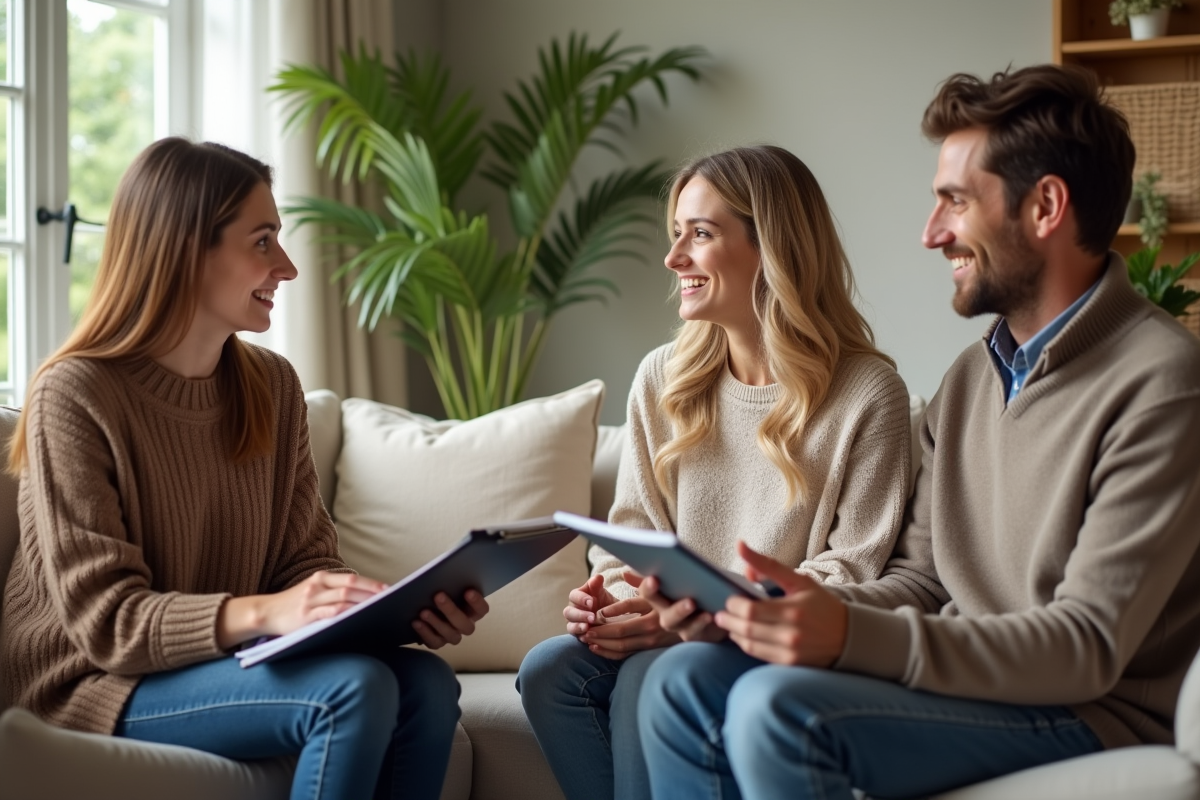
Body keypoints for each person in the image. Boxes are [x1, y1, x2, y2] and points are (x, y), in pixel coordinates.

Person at [637, 64, 1200, 800]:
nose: (931, 233)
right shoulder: (972, 379)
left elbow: (1086, 647)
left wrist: (851, 638)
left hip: (1084, 710)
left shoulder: (1163, 382)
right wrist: (786, 611)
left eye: (955, 203)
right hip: (967, 687)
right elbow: (923, 579)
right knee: (683, 678)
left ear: (1046, 207)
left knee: (779, 712)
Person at [0, 138, 491, 800]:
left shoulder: (270, 386)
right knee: (350, 691)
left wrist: (385, 613)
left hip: (212, 662)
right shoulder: (75, 392)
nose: (286, 267)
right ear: (182, 250)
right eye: (263, 242)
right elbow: (106, 622)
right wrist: (269, 612)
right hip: (91, 680)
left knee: (425, 684)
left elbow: (302, 565)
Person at [516, 145, 914, 800]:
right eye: (676, 236)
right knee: (551, 669)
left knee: (653, 672)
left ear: (772, 249)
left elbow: (852, 570)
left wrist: (704, 609)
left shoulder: (869, 393)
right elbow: (627, 541)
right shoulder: (661, 378)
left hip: (773, 635)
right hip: (675, 629)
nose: (674, 261)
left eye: (699, 235)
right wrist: (614, 603)